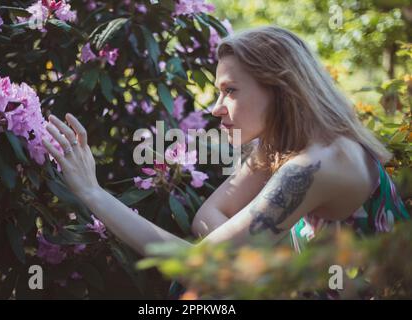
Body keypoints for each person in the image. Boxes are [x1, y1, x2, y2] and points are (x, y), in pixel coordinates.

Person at [42, 25, 409, 290]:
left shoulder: (315, 166)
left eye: (229, 91)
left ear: (280, 89)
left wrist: (93, 193)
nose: (216, 108)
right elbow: (207, 218)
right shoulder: (282, 144)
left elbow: (195, 266)